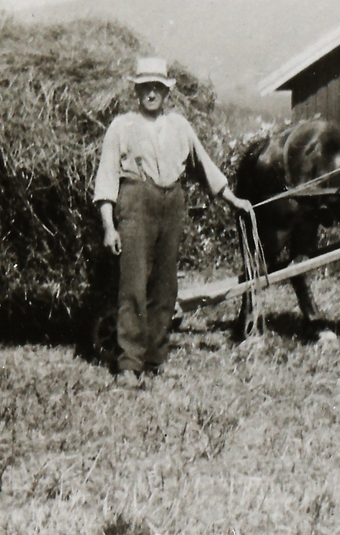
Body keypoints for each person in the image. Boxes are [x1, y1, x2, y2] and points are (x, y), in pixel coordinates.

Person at [93, 57, 254, 389]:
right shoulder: (121, 126)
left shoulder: (180, 126)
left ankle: (154, 358)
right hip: (135, 203)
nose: (151, 93)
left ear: (166, 92)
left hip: (172, 205)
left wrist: (233, 199)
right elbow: (107, 178)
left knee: (166, 287)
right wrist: (109, 226)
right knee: (134, 286)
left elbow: (205, 167)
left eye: (158, 88)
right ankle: (129, 364)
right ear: (136, 90)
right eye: (145, 87)